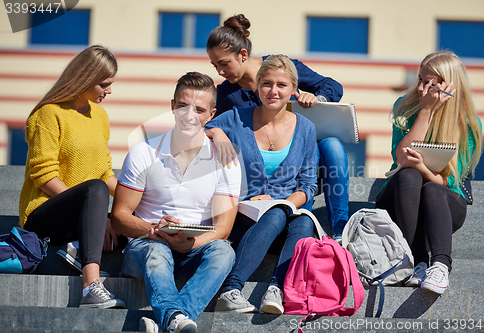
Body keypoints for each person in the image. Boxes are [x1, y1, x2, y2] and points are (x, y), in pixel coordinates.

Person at [110, 72, 241, 333]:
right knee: (157, 251)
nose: (189, 116)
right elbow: (120, 217)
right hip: (146, 245)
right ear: (172, 106)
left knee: (224, 252)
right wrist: (154, 229)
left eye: (199, 109)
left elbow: (223, 229)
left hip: (196, 246)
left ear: (211, 114)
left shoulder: (225, 160)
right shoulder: (143, 153)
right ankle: (174, 318)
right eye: (182, 106)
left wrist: (188, 242)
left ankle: (168, 321)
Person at [206, 14, 348, 241]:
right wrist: (217, 132)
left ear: (243, 55)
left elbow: (332, 85)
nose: (220, 72)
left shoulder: (281, 67)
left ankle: (340, 231)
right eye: (215, 66)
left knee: (333, 146)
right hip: (263, 173)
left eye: (224, 64)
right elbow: (208, 124)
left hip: (303, 160)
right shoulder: (225, 94)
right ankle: (300, 228)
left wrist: (317, 98)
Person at [205, 55, 318, 314]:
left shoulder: (306, 128)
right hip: (241, 215)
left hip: (281, 217)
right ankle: (231, 289)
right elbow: (192, 129)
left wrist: (285, 204)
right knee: (278, 213)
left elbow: (308, 185)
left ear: (293, 90)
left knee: (303, 220)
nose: (273, 91)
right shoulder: (235, 118)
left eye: (281, 85)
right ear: (257, 87)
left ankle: (276, 288)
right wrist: (215, 132)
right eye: (267, 83)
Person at [19, 45, 125, 308]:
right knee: (97, 190)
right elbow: (43, 176)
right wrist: (91, 214)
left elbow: (106, 173)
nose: (109, 91)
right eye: (104, 84)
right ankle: (90, 286)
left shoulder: (99, 116)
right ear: (85, 78)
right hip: (43, 216)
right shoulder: (48, 114)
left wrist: (138, 197)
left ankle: (78, 245)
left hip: (83, 210)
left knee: (131, 217)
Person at [375, 51, 482, 294]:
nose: (423, 88)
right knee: (408, 174)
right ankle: (417, 261)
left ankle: (440, 266)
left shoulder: (468, 124)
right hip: (399, 198)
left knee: (432, 187)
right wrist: (425, 111)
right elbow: (402, 158)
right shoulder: (405, 108)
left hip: (442, 202)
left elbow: (449, 179)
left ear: (450, 85)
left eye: (431, 83)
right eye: (421, 80)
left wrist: (423, 168)